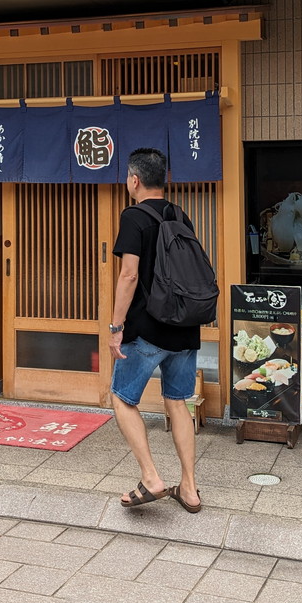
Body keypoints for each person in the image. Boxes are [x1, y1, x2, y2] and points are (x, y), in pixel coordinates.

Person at [109, 147, 203, 513]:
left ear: (134, 180)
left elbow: (129, 275)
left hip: (148, 328)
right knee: (177, 403)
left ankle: (151, 477)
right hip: (185, 327)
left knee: (122, 398)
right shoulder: (180, 215)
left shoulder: (133, 216)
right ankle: (189, 489)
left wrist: (116, 327)